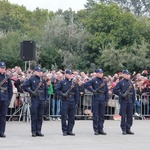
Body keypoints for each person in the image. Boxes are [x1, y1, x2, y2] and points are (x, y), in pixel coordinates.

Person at [22, 66, 48, 137]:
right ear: (35, 72)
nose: (40, 73)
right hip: (35, 99)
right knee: (34, 115)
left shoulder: (43, 80)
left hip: (41, 98)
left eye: (41, 71)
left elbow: (46, 90)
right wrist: (31, 92)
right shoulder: (31, 79)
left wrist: (46, 99)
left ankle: (38, 130)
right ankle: (33, 131)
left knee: (40, 116)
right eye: (39, 71)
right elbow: (24, 86)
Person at [54, 70, 79, 136]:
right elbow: (56, 90)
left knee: (72, 117)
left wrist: (76, 102)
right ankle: (64, 130)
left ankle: (70, 130)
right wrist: (62, 94)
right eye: (69, 74)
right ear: (66, 74)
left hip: (72, 101)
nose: (71, 75)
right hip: (65, 101)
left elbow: (77, 93)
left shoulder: (74, 83)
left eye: (71, 74)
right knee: (64, 117)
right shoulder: (62, 82)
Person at [84, 69, 108, 135]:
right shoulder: (94, 80)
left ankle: (101, 129)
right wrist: (92, 90)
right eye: (99, 73)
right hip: (96, 98)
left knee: (102, 115)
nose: (101, 74)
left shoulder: (104, 81)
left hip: (102, 98)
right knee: (95, 115)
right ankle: (96, 129)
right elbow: (85, 85)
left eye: (102, 73)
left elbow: (106, 91)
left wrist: (106, 99)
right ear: (97, 73)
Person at [113, 70, 135, 135]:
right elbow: (115, 90)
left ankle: (128, 128)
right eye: (127, 74)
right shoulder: (121, 82)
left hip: (130, 100)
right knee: (123, 115)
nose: (128, 75)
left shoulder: (130, 83)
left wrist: (133, 101)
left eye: (129, 74)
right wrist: (121, 95)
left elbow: (133, 93)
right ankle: (124, 129)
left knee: (130, 115)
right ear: (124, 75)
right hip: (124, 100)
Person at [0, 62, 13, 138]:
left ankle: (2, 132)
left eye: (4, 68)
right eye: (1, 68)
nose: (2, 69)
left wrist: (9, 99)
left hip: (4, 98)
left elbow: (10, 89)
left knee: (3, 116)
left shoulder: (7, 77)